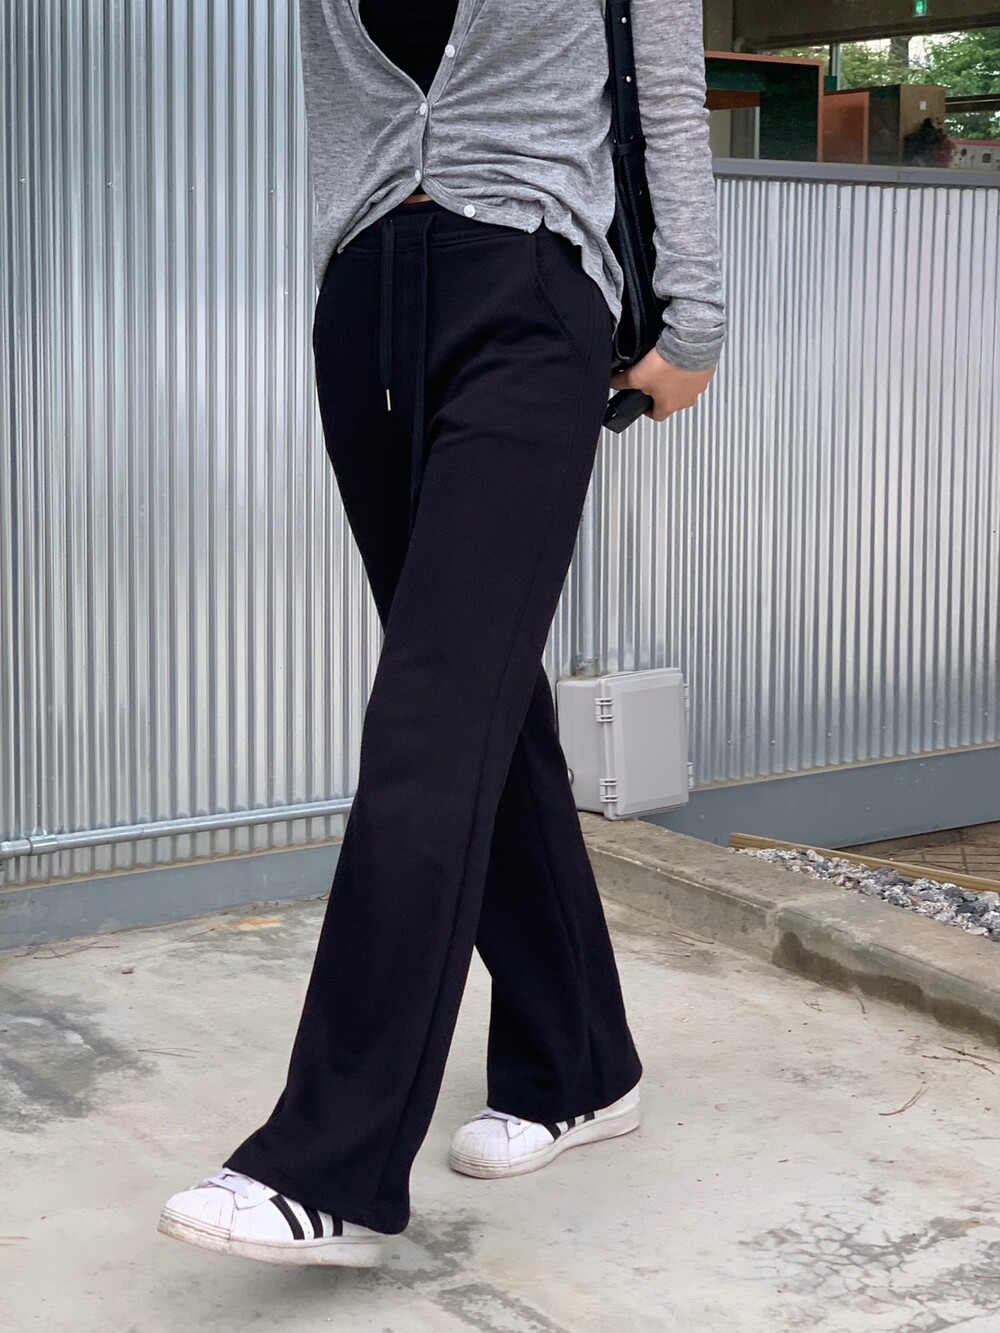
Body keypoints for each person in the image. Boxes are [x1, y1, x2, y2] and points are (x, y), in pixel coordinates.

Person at [158, 0, 726, 1267]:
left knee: (430, 711)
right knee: (483, 710)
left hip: (528, 292)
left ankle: (330, 1160)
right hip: (365, 303)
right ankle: (578, 1064)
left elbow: (667, 96)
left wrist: (692, 320)